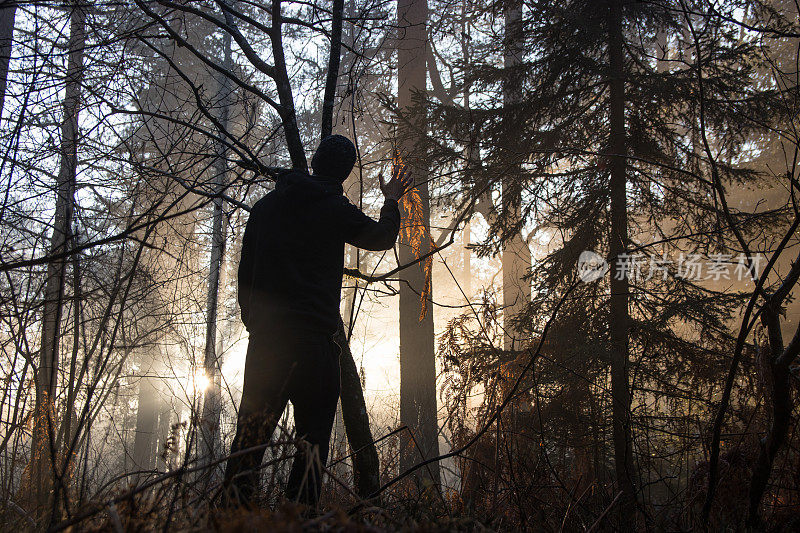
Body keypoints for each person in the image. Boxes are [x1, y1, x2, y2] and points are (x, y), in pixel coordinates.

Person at [223, 134, 412, 508]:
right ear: (345, 172)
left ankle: (230, 519)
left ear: (313, 160)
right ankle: (298, 519)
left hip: (267, 346)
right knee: (312, 447)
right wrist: (391, 200)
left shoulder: (265, 209)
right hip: (314, 347)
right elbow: (381, 237)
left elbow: (245, 275)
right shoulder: (334, 210)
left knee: (248, 444)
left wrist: (256, 325)